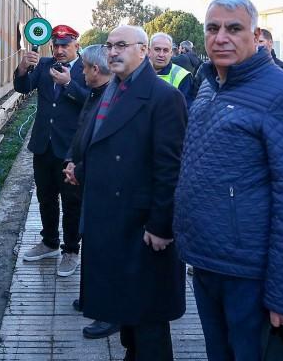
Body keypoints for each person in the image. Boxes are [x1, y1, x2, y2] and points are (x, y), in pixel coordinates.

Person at [174, 0, 283, 360]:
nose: (221, 37)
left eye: (234, 28)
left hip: (249, 272)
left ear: (256, 36)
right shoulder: (208, 84)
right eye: (213, 28)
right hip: (207, 261)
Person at [75, 25, 187, 361]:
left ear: (144, 50)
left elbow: (170, 169)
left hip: (141, 224)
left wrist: (160, 225)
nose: (112, 52)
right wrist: (82, 169)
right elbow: (107, 142)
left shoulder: (165, 97)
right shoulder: (114, 88)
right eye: (109, 46)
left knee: (148, 313)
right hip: (112, 218)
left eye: (121, 45)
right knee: (128, 306)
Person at [14, 24, 89, 277]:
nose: (59, 50)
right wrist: (23, 67)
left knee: (71, 202)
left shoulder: (86, 69)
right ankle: (49, 242)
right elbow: (22, 87)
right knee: (45, 197)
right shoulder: (44, 65)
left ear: (76, 46)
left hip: (70, 150)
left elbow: (92, 100)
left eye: (64, 45)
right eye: (56, 45)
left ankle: (71, 250)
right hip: (43, 146)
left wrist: (69, 84)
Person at [61, 45, 120, 340]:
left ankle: (109, 313)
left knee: (104, 250)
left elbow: (105, 145)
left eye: (84, 67)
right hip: (85, 175)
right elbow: (82, 131)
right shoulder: (97, 93)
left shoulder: (112, 97)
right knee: (91, 244)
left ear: (96, 70)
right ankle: (90, 299)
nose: (81, 72)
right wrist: (71, 161)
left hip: (102, 185)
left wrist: (79, 168)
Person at [149, 32, 193, 103]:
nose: (161, 54)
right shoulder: (135, 72)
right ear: (149, 51)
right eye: (157, 49)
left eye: (165, 50)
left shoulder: (183, 76)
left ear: (171, 53)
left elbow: (185, 110)